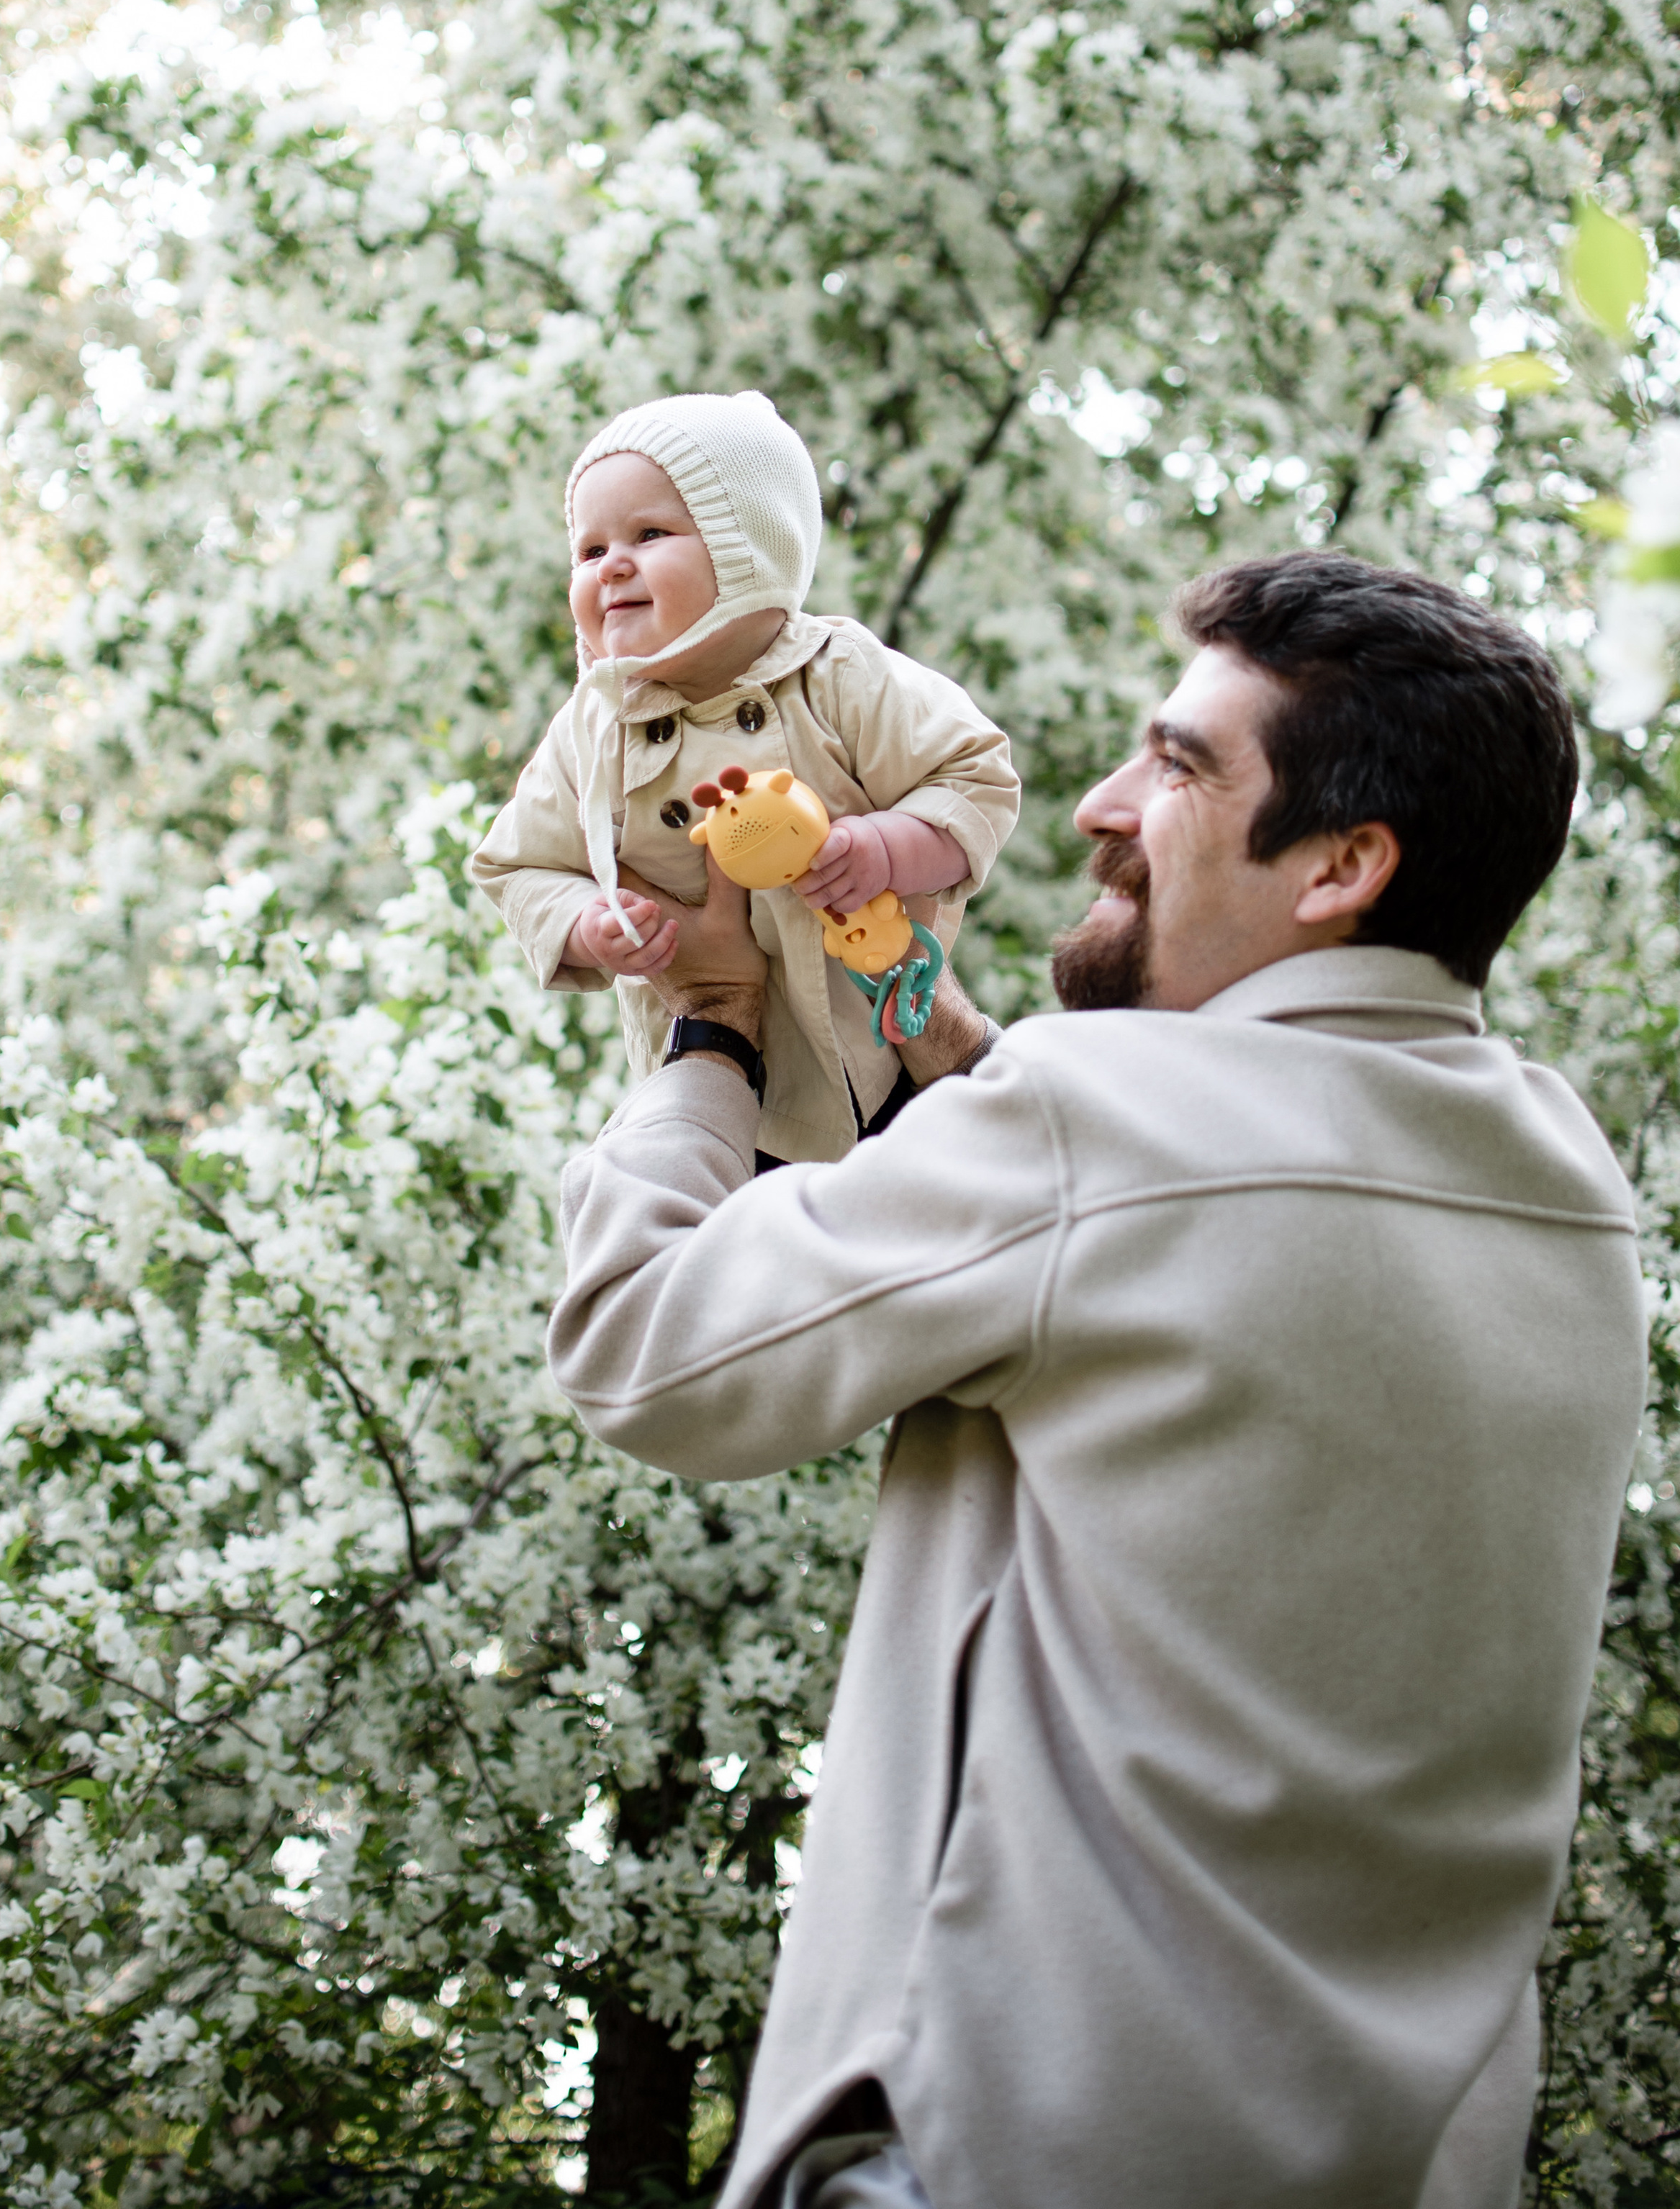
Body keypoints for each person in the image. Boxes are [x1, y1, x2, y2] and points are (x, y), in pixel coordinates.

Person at [552, 551, 1648, 2209]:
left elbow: (645, 1348)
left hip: (1007, 2146)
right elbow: (1181, 1220)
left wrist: (706, 1028)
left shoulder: (1089, 1124)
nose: (1094, 800)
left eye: (1181, 763)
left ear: (1343, 863)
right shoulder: (1565, 1190)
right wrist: (917, 1012)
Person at [471, 390, 1019, 1164]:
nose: (612, 564)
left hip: (886, 1054)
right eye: (589, 551)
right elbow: (518, 861)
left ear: (749, 549)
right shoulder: (595, 726)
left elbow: (975, 775)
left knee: (931, 1213)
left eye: (650, 533)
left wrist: (886, 849)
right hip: (718, 1092)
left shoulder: (838, 675)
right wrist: (584, 920)